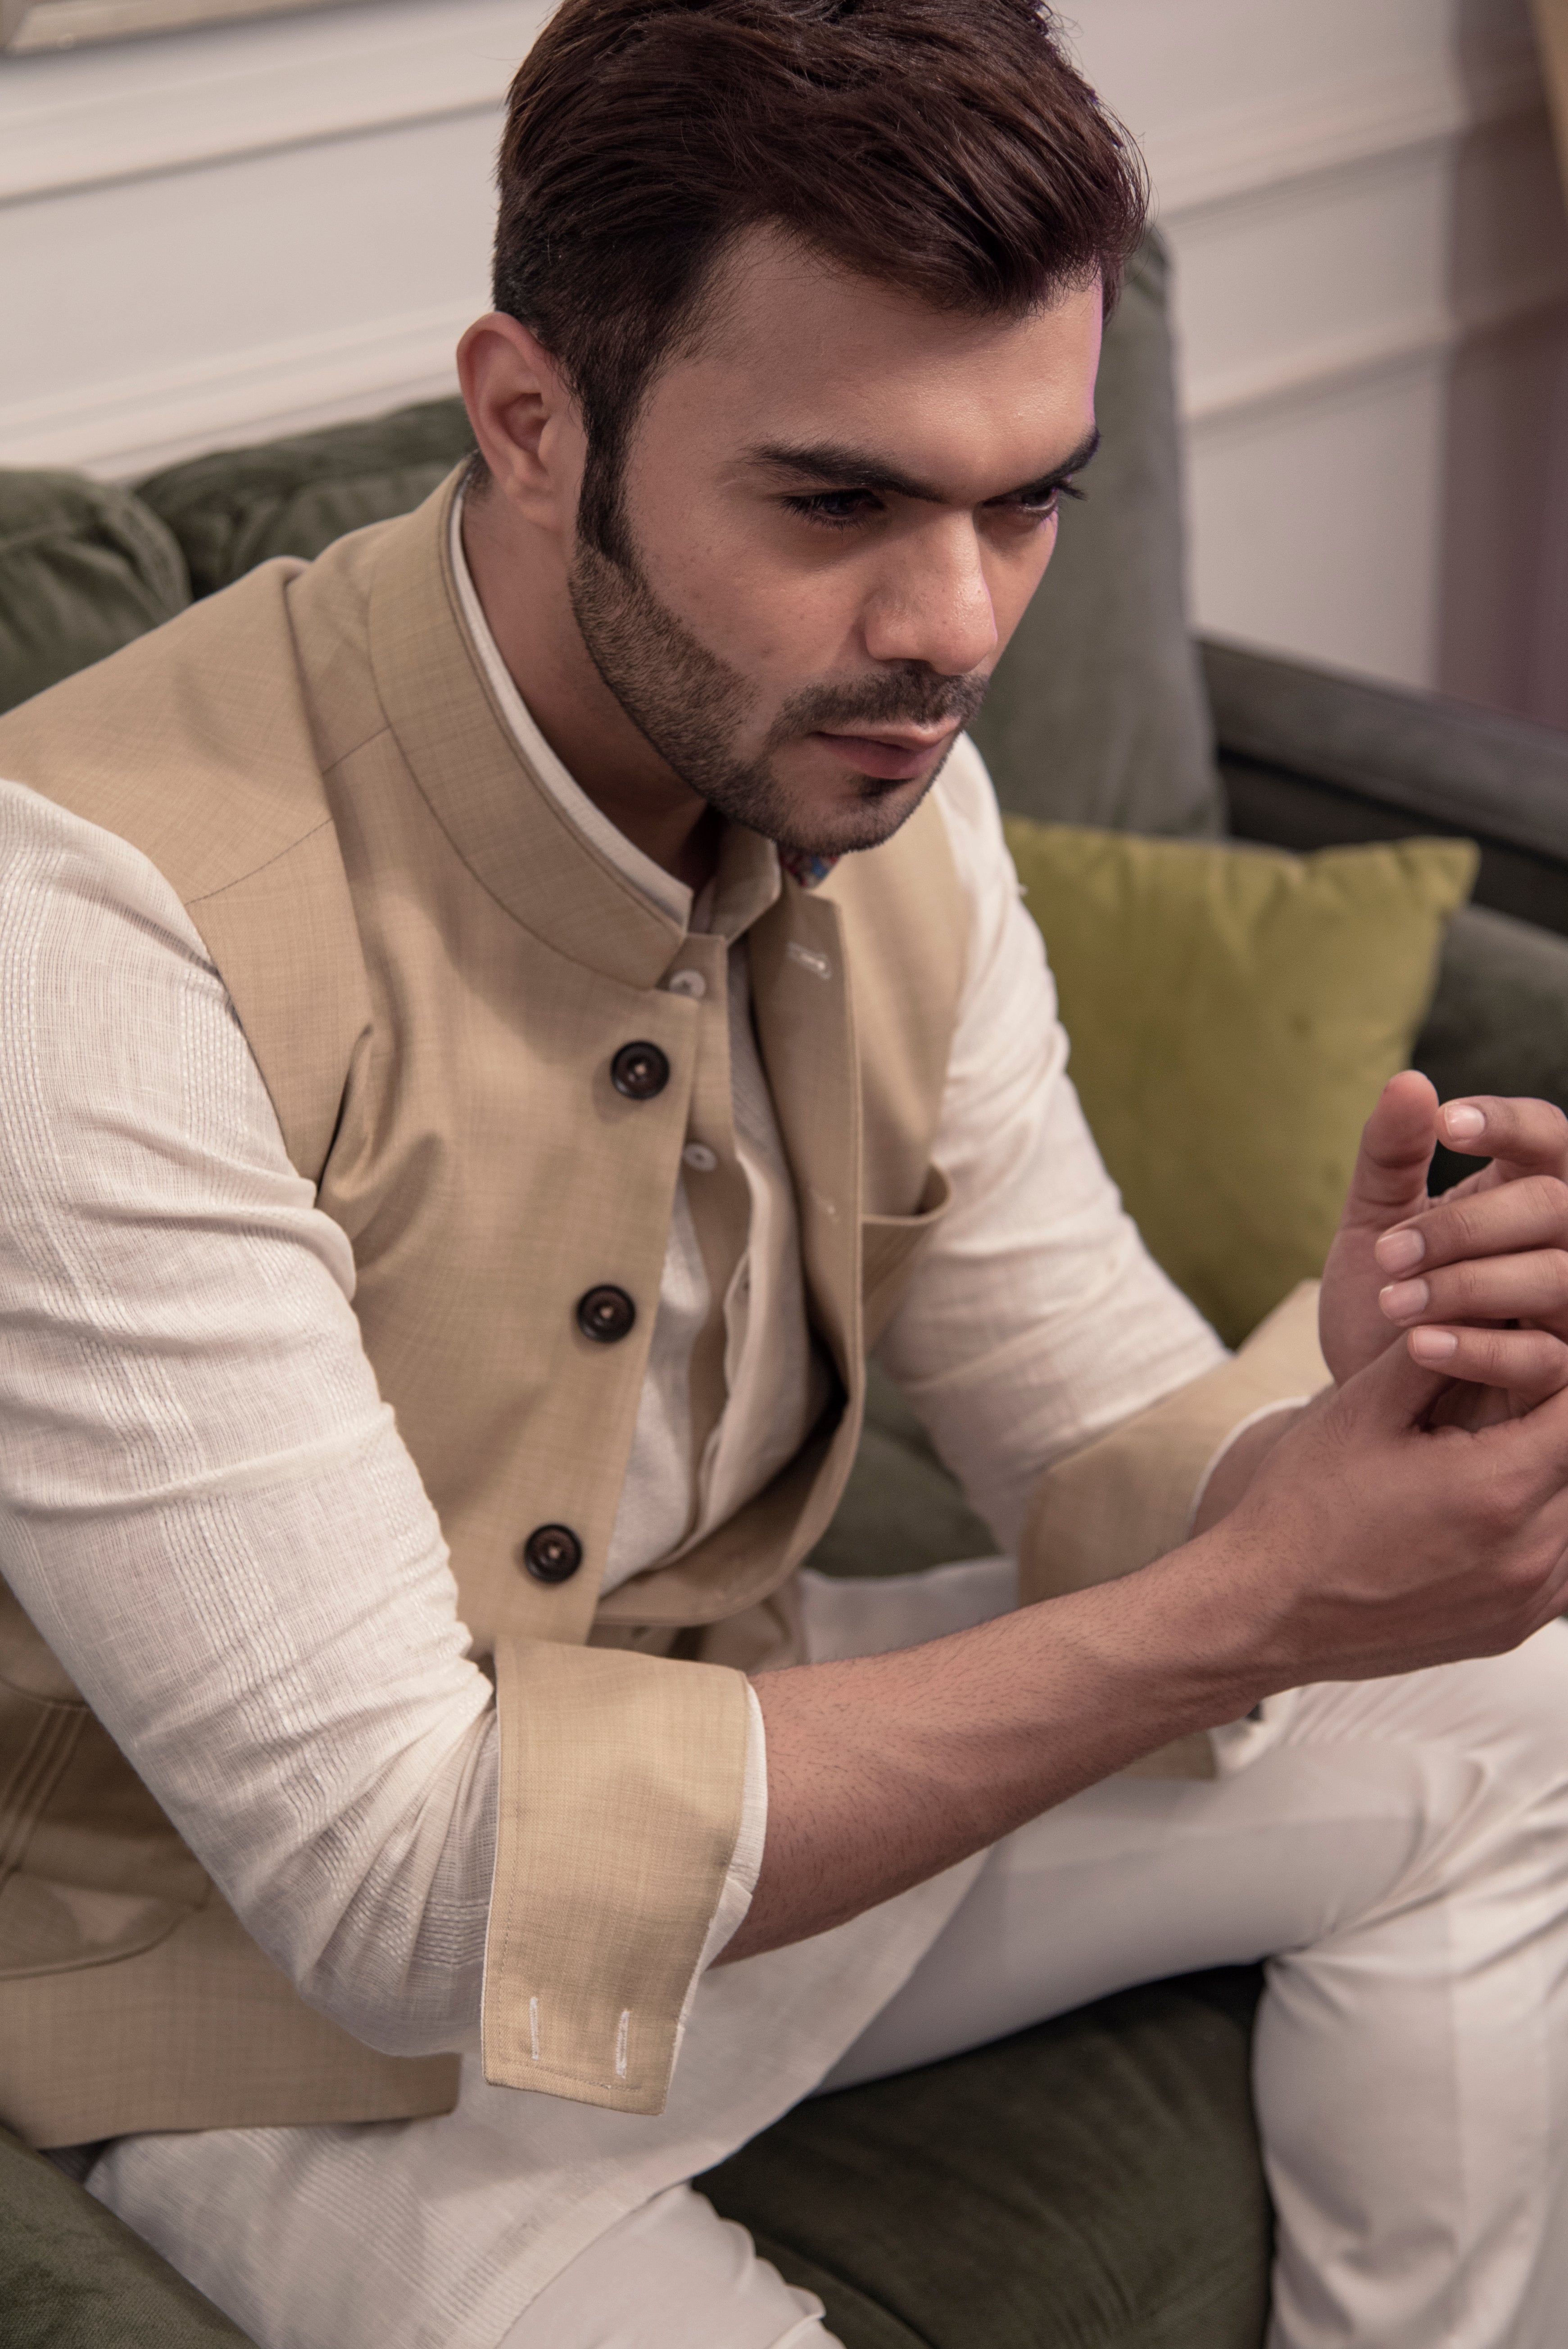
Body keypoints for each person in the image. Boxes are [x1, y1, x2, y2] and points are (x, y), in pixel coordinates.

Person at [3, 3, 1568, 2343]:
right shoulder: (91, 931)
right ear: (532, 420)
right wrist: (1249, 1606)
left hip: (759, 1791)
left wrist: (1322, 1440)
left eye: (1028, 496)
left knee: (1525, 1703)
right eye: (839, 500)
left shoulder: (885, 781)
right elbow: (397, 1883)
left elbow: (1080, 1409)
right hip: (269, 2019)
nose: (955, 628)